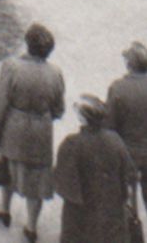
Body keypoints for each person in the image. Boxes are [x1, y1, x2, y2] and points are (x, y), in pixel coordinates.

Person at [0, 21, 66, 239]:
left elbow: (0, 102)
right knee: (37, 179)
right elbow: (59, 110)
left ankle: (4, 208)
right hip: (41, 132)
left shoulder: (12, 67)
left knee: (6, 167)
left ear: (27, 44)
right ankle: (31, 227)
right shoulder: (55, 73)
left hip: (13, 126)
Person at [55, 96, 136, 243]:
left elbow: (63, 183)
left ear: (82, 118)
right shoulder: (115, 139)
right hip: (111, 208)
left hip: (81, 210)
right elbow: (128, 173)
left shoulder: (72, 143)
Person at [107, 42, 147, 217]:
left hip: (127, 152)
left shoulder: (118, 88)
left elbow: (110, 125)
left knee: (128, 202)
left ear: (129, 64)